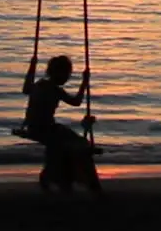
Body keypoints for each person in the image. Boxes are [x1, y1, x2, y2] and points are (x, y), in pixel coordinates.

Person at [21, 55, 101, 193]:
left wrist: (32, 66)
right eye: (67, 74)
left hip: (37, 127)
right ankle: (63, 177)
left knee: (72, 143)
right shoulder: (54, 89)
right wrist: (84, 83)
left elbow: (26, 89)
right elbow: (76, 102)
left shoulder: (39, 85)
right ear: (57, 73)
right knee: (77, 144)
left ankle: (59, 176)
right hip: (45, 129)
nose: (68, 77)